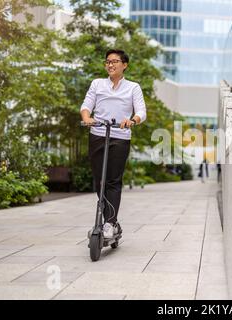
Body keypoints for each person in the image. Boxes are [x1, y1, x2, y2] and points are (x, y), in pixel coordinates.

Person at [80, 49, 147, 238]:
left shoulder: (133, 87)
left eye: (115, 61)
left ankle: (109, 223)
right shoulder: (97, 84)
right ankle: (111, 220)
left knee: (113, 180)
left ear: (124, 65)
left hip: (120, 136)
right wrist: (87, 118)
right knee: (98, 180)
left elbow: (141, 111)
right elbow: (86, 105)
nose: (110, 64)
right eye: (108, 62)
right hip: (98, 134)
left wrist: (132, 120)